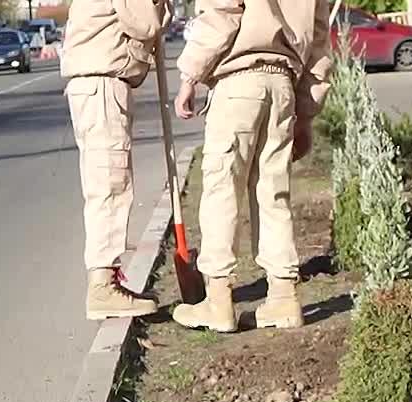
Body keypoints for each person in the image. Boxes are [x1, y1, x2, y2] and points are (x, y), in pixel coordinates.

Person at [170, 0, 332, 332]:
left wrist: (190, 76)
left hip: (239, 79)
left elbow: (223, 10)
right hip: (283, 83)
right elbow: (318, 41)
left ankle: (218, 300)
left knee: (222, 187)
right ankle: (283, 297)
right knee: (273, 193)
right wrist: (306, 112)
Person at [62, 0, 172, 320]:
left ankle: (105, 280)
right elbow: (146, 23)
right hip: (102, 84)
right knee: (110, 181)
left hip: (94, 83)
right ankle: (103, 287)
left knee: (105, 178)